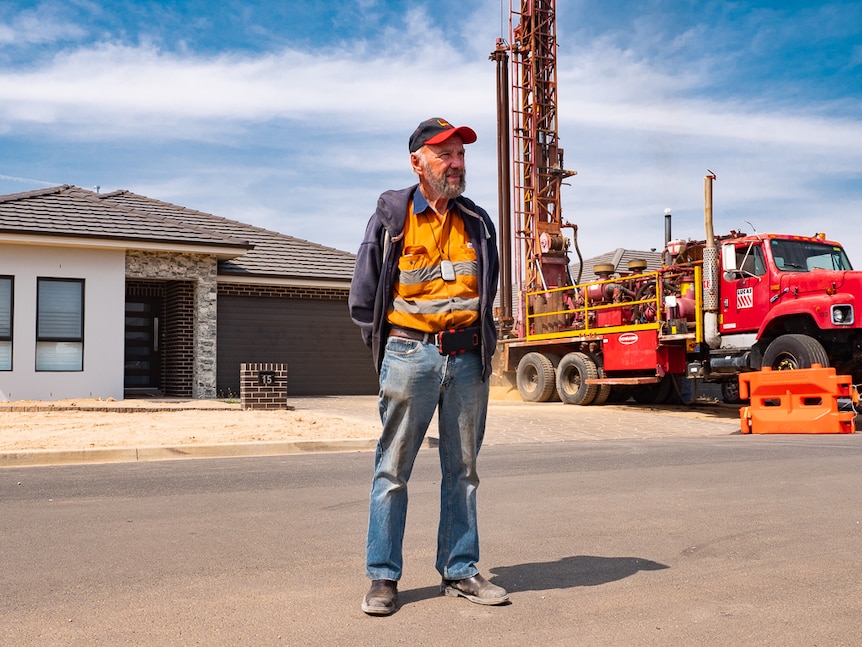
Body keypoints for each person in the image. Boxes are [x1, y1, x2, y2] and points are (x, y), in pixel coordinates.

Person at [348, 117, 507, 615]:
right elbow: (363, 295)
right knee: (392, 470)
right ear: (417, 162)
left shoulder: (478, 222)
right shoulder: (392, 217)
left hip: (466, 361)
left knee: (463, 470)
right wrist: (393, 347)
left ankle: (459, 570)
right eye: (445, 155)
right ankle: (383, 577)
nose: (456, 164)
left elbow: (489, 287)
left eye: (461, 155)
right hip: (409, 354)